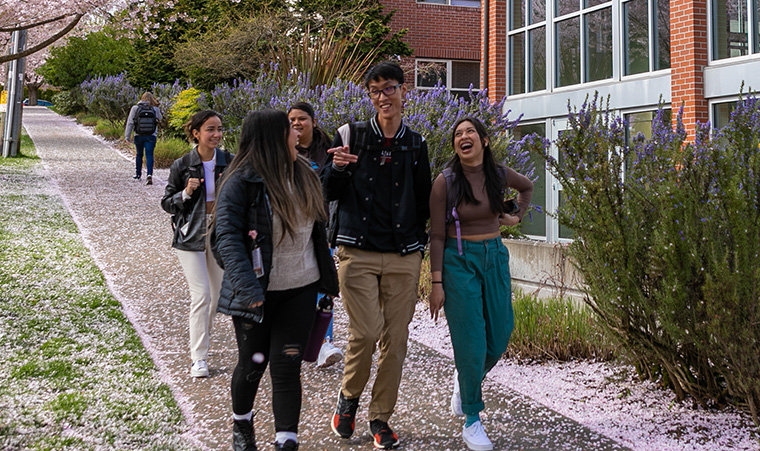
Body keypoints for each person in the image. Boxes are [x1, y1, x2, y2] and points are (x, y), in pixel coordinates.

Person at [213, 109, 339, 451]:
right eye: (289, 129)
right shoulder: (241, 182)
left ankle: (287, 441)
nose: (296, 133)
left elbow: (318, 230)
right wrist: (247, 286)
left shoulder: (305, 173)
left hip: (301, 288)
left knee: (287, 365)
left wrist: (327, 280)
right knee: (252, 365)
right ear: (272, 137)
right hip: (256, 293)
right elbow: (225, 237)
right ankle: (242, 424)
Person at [322, 61, 431, 450]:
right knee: (365, 333)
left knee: (395, 340)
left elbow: (423, 200)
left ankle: (380, 417)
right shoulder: (351, 135)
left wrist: (419, 247)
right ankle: (348, 399)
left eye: (389, 89)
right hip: (358, 250)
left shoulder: (416, 143)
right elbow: (326, 193)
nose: (383, 97)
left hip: (403, 255)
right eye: (375, 91)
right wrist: (336, 169)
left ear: (404, 92)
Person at [428, 117, 533, 451]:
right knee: (471, 342)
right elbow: (436, 235)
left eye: (470, 131)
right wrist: (436, 283)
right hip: (459, 263)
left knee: (501, 333)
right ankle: (473, 419)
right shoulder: (444, 182)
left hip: (494, 257)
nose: (463, 137)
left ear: (484, 141)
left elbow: (527, 185)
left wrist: (516, 215)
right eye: (458, 134)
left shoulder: (498, 174)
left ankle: (466, 379)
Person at [160, 110, 230, 378]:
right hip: (190, 234)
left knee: (217, 297)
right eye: (210, 129)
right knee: (201, 295)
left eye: (220, 129)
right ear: (196, 133)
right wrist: (186, 193)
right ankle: (198, 357)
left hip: (220, 232)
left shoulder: (229, 162)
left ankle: (202, 340)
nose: (217, 135)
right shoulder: (182, 165)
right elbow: (167, 203)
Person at [287, 101, 343, 369]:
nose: (297, 124)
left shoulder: (328, 149)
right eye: (292, 120)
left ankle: (324, 343)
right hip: (290, 230)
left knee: (325, 285)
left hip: (321, 227)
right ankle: (297, 340)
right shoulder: (283, 149)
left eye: (302, 119)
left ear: (313, 121)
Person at [125, 92, 162, 185]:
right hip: (151, 135)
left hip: (138, 135)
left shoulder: (135, 108)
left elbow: (130, 122)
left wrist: (127, 136)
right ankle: (149, 174)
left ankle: (138, 174)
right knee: (149, 155)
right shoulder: (155, 109)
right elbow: (160, 118)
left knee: (139, 154)